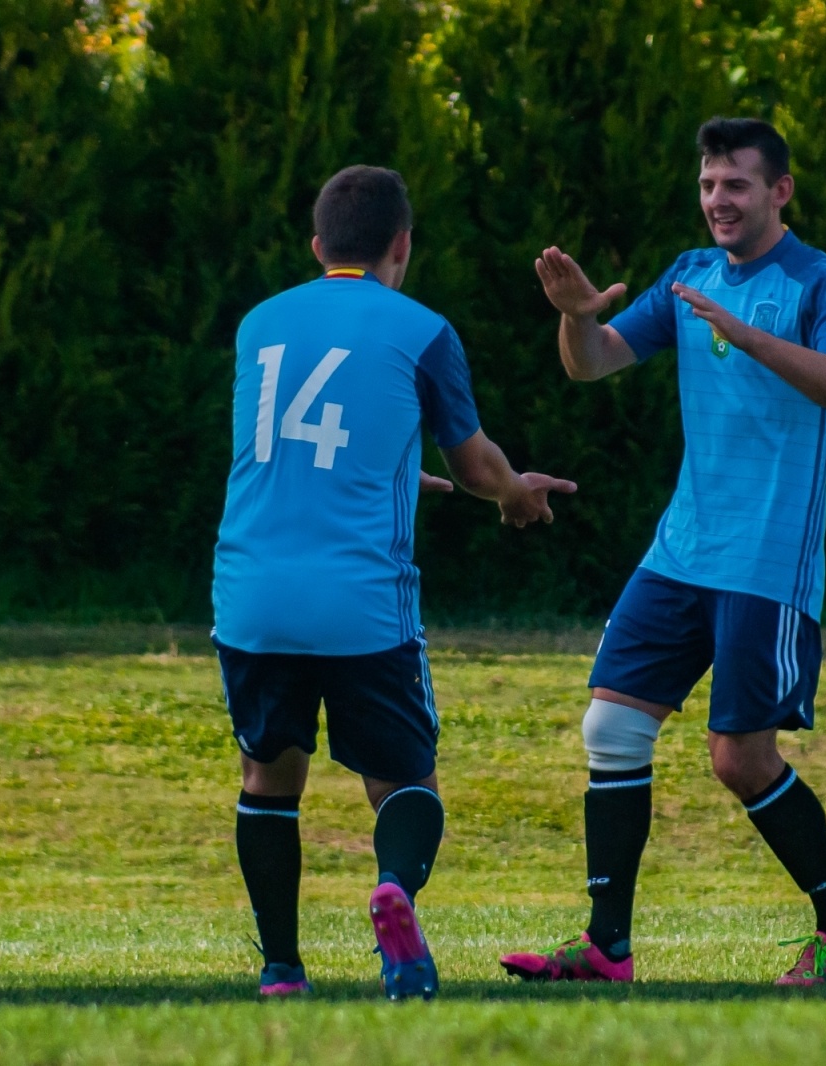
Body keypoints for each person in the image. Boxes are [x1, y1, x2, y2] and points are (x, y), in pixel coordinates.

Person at [499, 117, 826, 986]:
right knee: (612, 725)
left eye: (736, 184)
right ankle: (607, 947)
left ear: (780, 191)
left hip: (767, 560)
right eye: (709, 184)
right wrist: (577, 318)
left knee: (739, 760)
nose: (718, 200)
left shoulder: (823, 281)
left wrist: (749, 336)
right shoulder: (690, 274)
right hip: (682, 551)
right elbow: (593, 363)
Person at [212, 164, 576, 1000]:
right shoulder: (422, 331)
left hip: (253, 593)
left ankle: (281, 970)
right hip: (361, 602)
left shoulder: (259, 324)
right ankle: (393, 892)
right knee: (406, 782)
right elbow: (476, 464)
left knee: (269, 778)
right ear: (402, 245)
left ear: (318, 246)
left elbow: (291, 451)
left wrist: (394, 472)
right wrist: (515, 494)